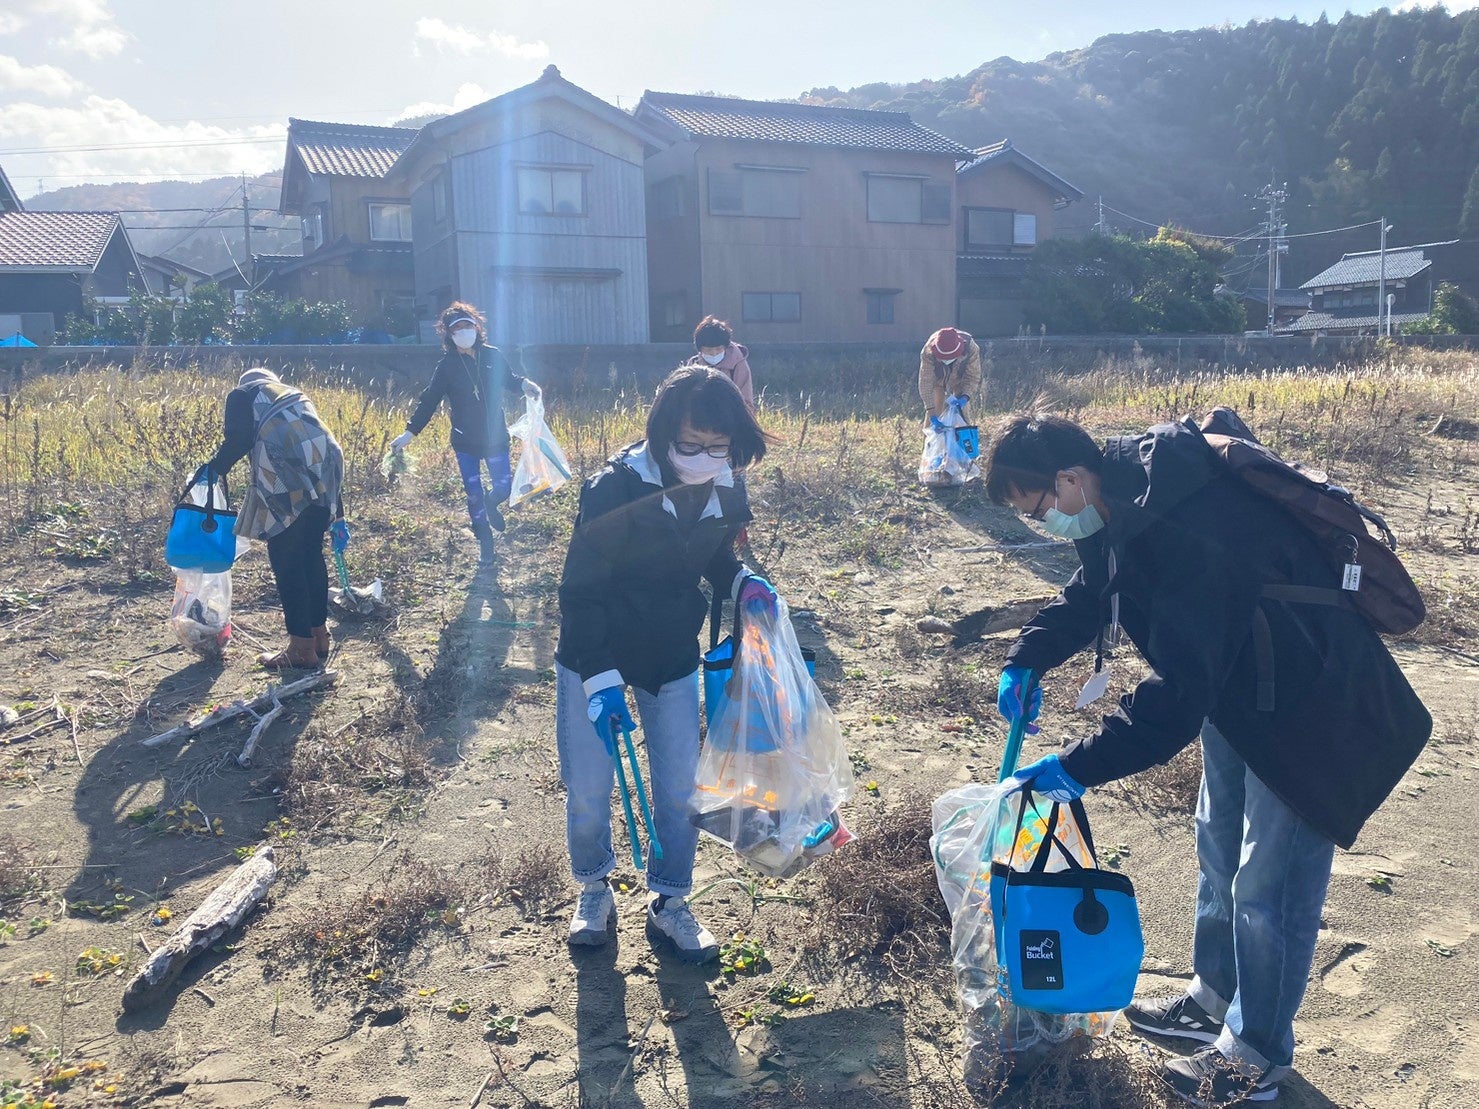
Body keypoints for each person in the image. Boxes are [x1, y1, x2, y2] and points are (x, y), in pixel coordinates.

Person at [985, 412, 1430, 1105]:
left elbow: (1175, 698)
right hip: (1240, 687)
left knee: (1269, 884)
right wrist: (1027, 657)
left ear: (1069, 478)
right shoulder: (1115, 503)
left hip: (1308, 706)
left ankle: (1255, 1057)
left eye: (1036, 508)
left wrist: (1077, 765)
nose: (1041, 523)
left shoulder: (1190, 516)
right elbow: (1093, 590)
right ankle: (1211, 998)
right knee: (1218, 845)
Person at [555, 365, 777, 963]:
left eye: (718, 446)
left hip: (671, 649)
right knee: (589, 787)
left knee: (679, 787)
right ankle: (594, 890)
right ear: (663, 434)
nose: (704, 458)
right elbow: (580, 590)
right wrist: (598, 677)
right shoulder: (615, 487)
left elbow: (716, 557)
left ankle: (670, 901)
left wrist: (743, 583)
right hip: (595, 650)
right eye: (690, 444)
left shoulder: (726, 485)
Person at [206, 367, 345, 669]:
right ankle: (319, 637)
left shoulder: (243, 394)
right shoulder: (294, 395)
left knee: (287, 559)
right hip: (326, 469)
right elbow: (319, 443)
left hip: (288, 476)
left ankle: (300, 649)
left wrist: (211, 471)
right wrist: (338, 513)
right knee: (310, 555)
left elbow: (238, 439)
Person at [391, 302, 540, 566]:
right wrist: (409, 433)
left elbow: (510, 379)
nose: (463, 332)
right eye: (456, 329)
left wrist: (526, 385)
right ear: (449, 334)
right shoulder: (447, 366)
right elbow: (429, 401)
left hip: (495, 437)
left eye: (467, 326)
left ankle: (491, 503)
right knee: (473, 493)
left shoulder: (492, 356)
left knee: (503, 487)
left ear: (476, 327)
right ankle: (485, 543)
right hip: (465, 441)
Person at [685, 315, 754, 411]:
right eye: (708, 350)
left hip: (731, 416)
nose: (714, 353)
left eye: (718, 349)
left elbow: (747, 404)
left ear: (726, 347)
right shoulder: (693, 366)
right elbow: (686, 401)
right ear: (700, 349)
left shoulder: (738, 365)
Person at [918, 326, 981, 427]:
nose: (946, 360)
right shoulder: (928, 351)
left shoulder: (970, 347)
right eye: (943, 357)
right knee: (933, 418)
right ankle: (931, 436)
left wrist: (965, 396)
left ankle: (962, 436)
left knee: (962, 418)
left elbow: (973, 376)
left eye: (949, 357)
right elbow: (925, 382)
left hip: (960, 381)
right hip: (938, 382)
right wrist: (932, 414)